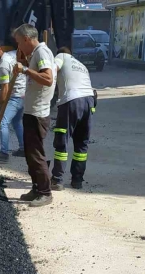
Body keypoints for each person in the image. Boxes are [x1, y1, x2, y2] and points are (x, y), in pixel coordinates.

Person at [12, 24, 57, 207]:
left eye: (18, 43)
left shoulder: (41, 53)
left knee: (36, 154)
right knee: (30, 154)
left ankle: (45, 192)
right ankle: (36, 188)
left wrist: (25, 70)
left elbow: (47, 79)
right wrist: (23, 60)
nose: (18, 47)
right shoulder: (35, 54)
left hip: (38, 113)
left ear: (26, 39)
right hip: (31, 111)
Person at [51, 47, 95, 190]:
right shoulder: (81, 65)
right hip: (89, 101)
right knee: (81, 143)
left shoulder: (61, 56)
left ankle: (57, 180)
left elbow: (52, 71)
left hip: (71, 101)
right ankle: (77, 180)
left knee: (62, 142)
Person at [0, 42, 26, 163]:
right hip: (24, 94)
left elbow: (5, 89)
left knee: (3, 122)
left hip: (16, 96)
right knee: (16, 121)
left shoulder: (3, 66)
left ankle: (4, 153)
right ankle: (23, 149)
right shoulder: (12, 54)